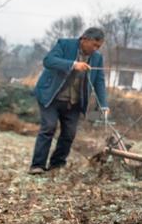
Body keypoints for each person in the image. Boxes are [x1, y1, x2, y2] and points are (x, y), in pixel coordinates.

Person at [29, 27, 110, 174]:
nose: (96, 49)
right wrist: (73, 65)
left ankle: (57, 165)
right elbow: (48, 61)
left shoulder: (97, 58)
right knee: (49, 127)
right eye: (94, 45)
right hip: (51, 97)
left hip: (73, 102)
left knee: (69, 134)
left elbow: (99, 81)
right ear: (84, 39)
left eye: (99, 47)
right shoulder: (64, 44)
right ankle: (37, 165)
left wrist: (103, 105)